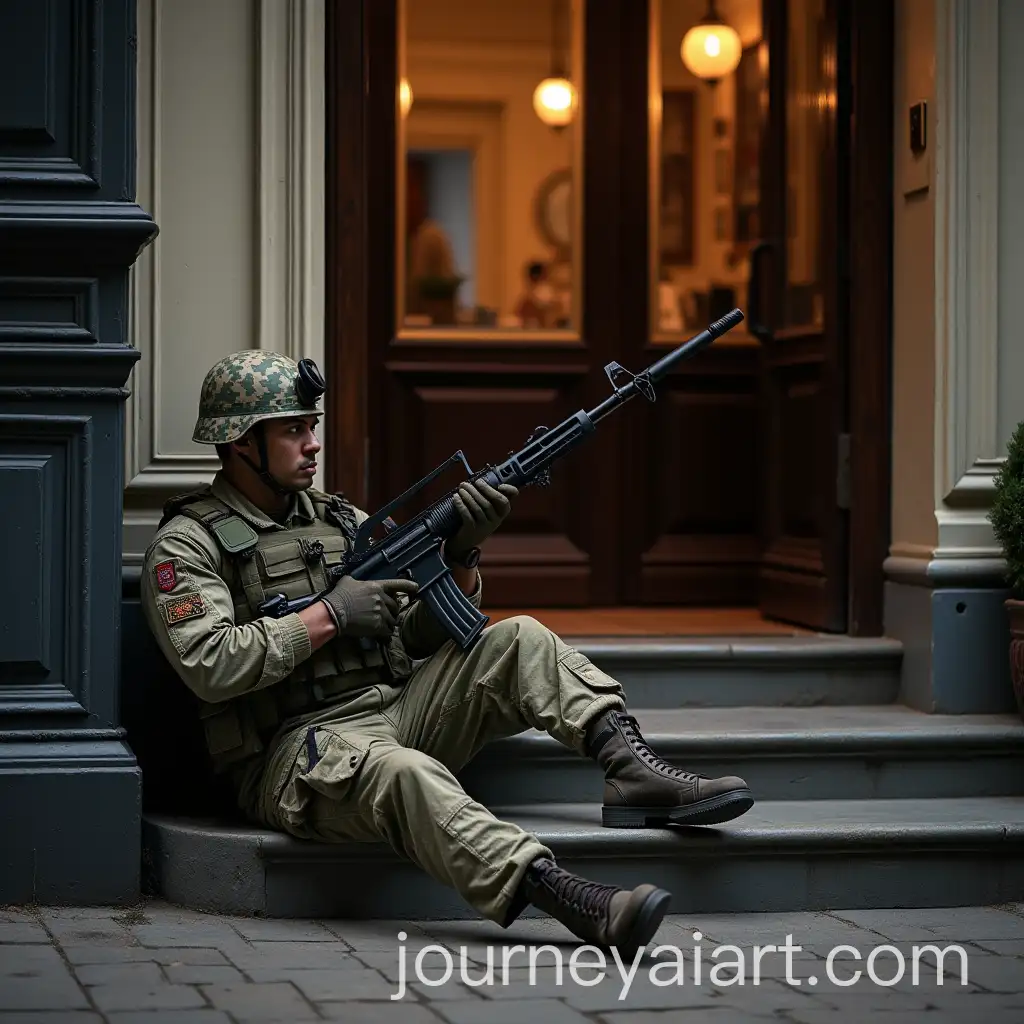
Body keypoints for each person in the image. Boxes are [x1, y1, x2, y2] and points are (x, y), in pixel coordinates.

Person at [142, 351, 755, 957]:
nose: (312, 444)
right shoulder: (187, 544)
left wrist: (461, 557)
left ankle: (632, 773)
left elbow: (410, 639)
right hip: (296, 754)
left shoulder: (342, 520)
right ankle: (575, 900)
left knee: (518, 637)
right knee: (403, 773)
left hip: (399, 707)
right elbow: (211, 665)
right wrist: (330, 615)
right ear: (242, 443)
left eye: (313, 425)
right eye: (293, 429)